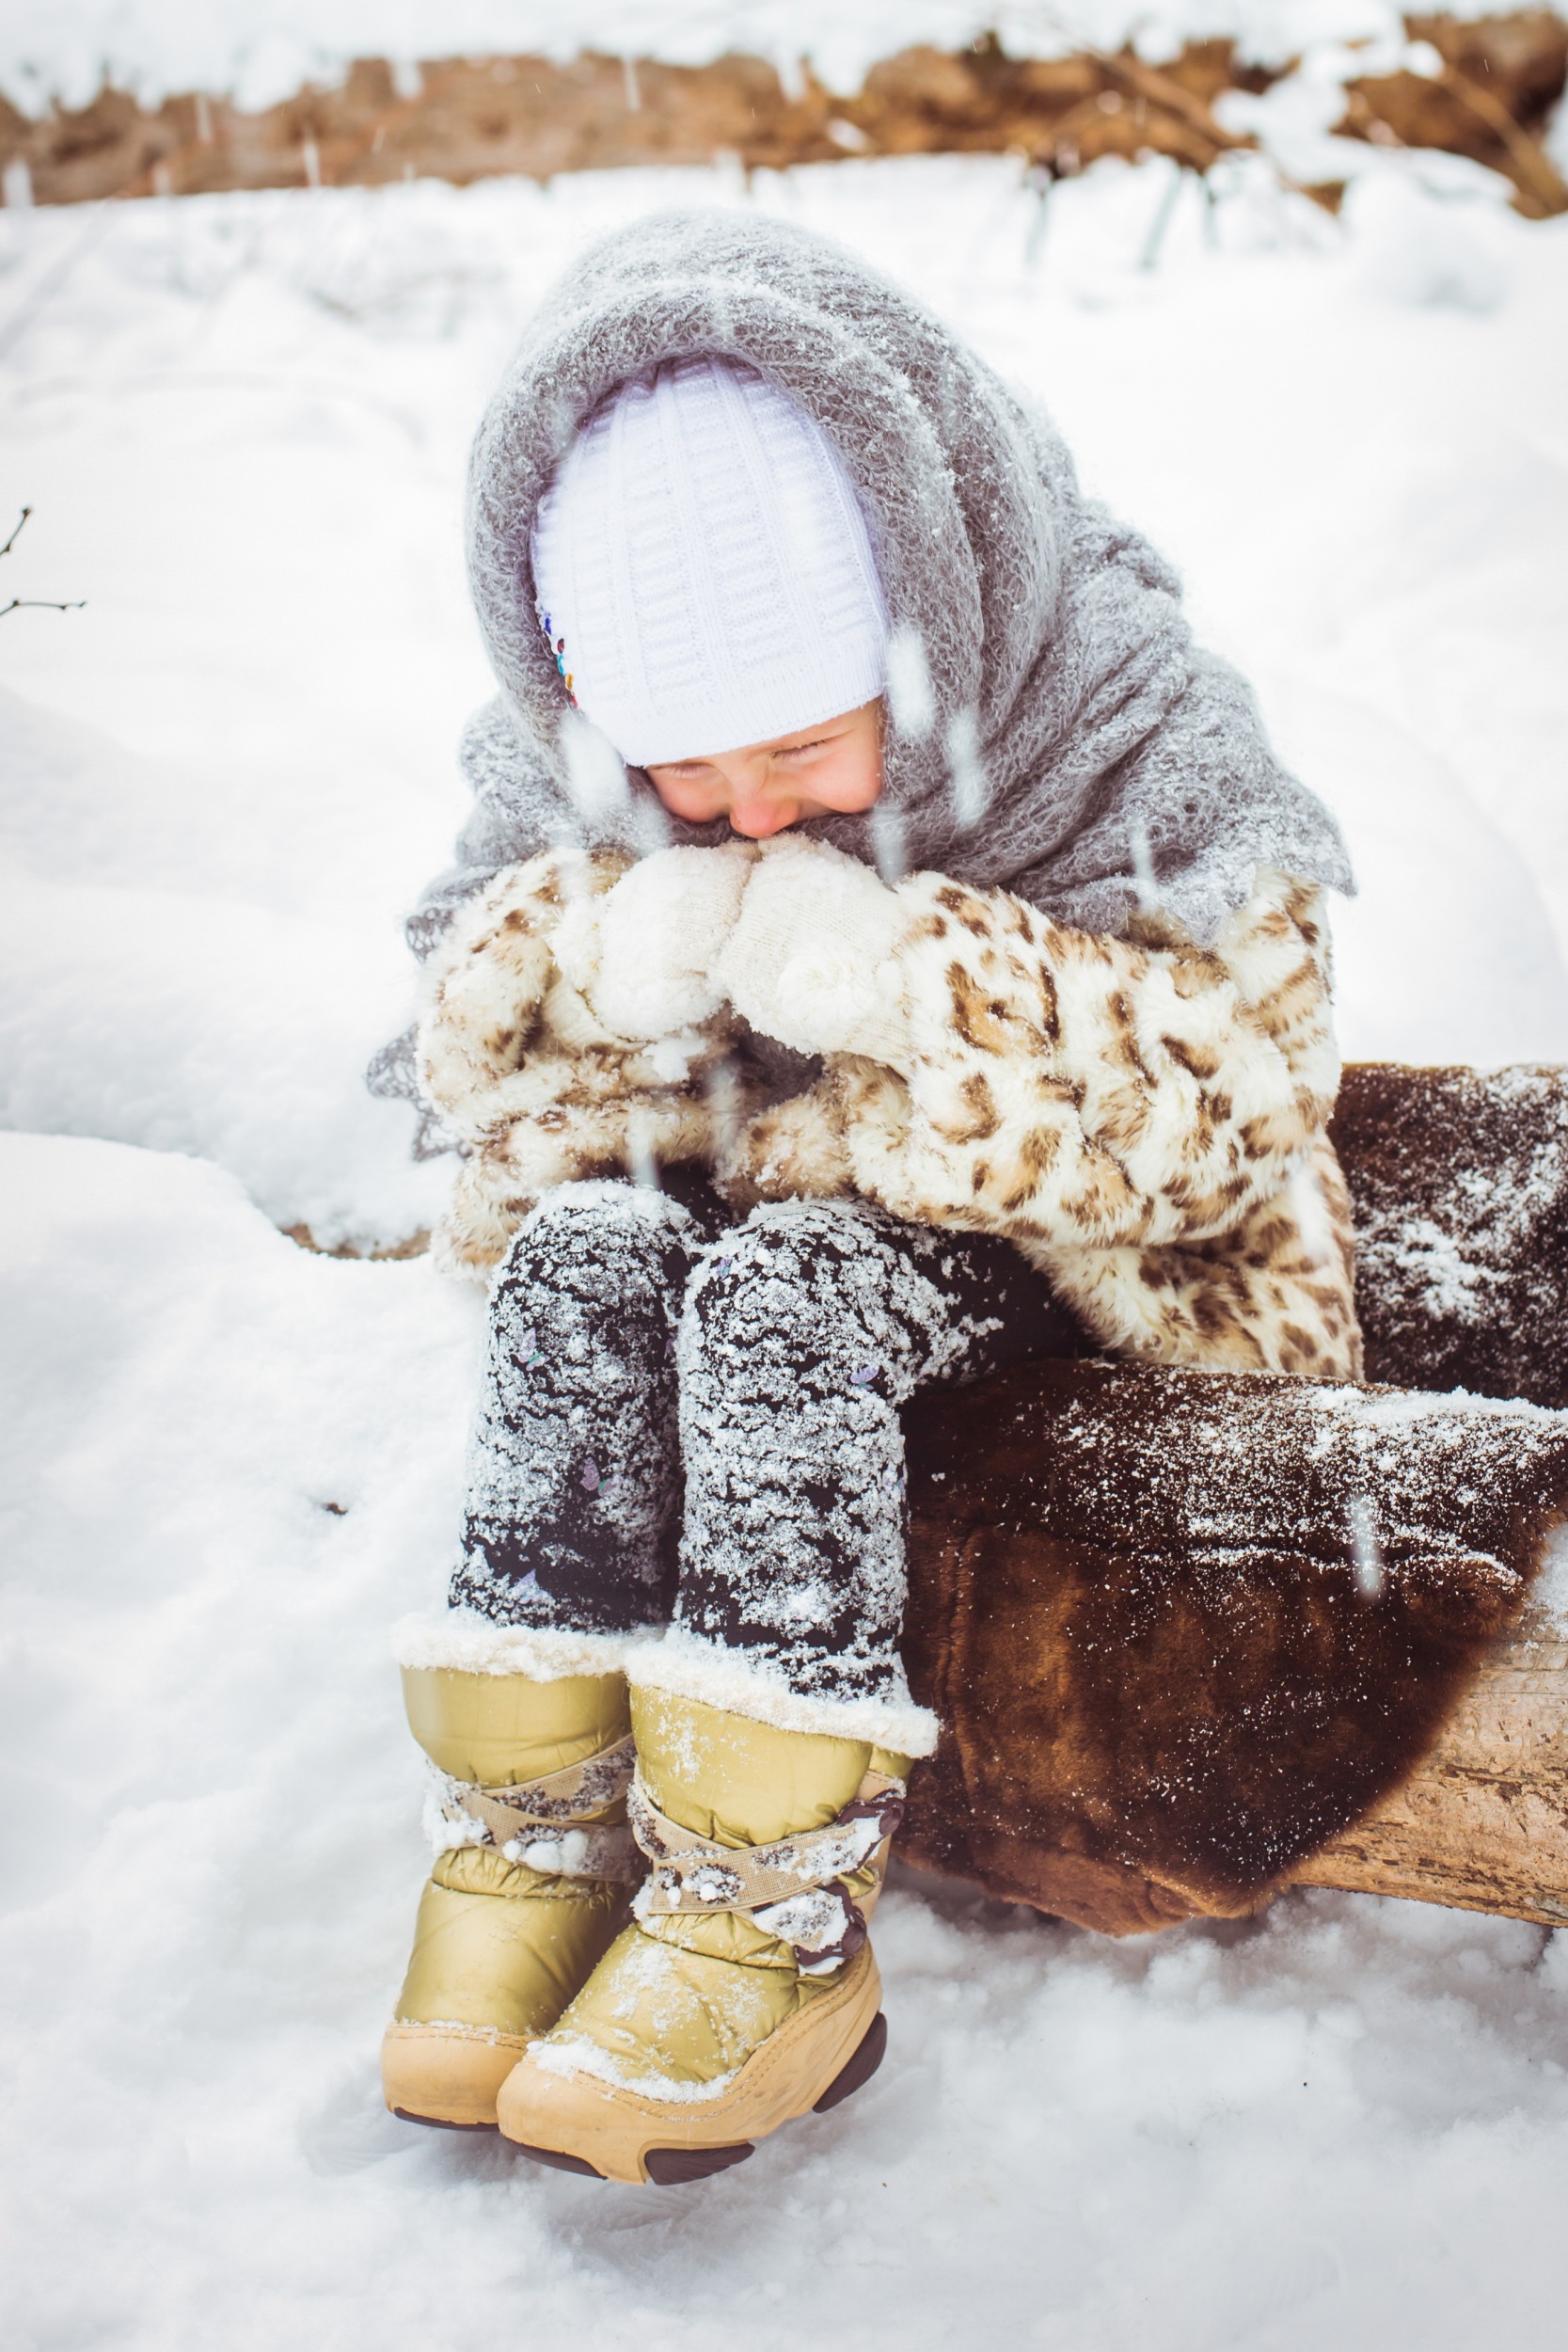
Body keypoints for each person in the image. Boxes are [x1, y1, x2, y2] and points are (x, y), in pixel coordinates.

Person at [371, 211, 1361, 2185]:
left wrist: (914, 983)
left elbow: (1248, 1089)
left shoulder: (1111, 710)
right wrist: (599, 963)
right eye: (684, 775)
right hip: (732, 1206)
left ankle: (775, 1907)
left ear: (918, 634)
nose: (746, 809)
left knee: (790, 1295)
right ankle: (533, 1830)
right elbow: (457, 1058)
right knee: (579, 1262)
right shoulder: (580, 760)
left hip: (1064, 1254)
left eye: (805, 749)